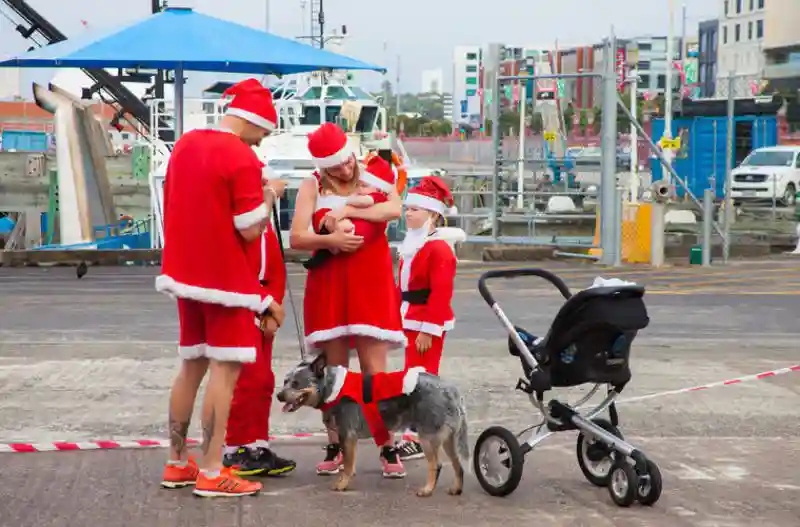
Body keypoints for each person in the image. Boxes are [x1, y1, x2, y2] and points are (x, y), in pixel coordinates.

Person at [156, 78, 284, 498]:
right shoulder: (241, 157)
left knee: (190, 367)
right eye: (264, 132)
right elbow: (249, 230)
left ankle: (177, 463)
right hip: (227, 283)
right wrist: (269, 197)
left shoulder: (185, 144)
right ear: (255, 120)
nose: (262, 142)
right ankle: (212, 469)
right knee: (224, 374)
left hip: (184, 275)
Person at [289, 123, 408, 478]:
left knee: (376, 373)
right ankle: (337, 444)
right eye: (335, 166)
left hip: (370, 282)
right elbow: (297, 237)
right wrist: (330, 242)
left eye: (347, 161)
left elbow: (393, 211)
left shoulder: (374, 173)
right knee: (333, 375)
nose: (344, 169)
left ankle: (388, 446)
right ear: (322, 166)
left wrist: (344, 213)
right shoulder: (312, 185)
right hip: (329, 284)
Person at [222, 171, 298, 478]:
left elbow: (276, 268)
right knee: (245, 381)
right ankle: (234, 447)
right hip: (243, 305)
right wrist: (262, 305)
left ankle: (257, 443)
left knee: (263, 381)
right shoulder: (239, 225)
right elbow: (235, 269)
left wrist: (272, 310)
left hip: (265, 305)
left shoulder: (265, 226)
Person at [394, 176, 466, 461]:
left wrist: (428, 330)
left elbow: (440, 294)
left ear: (433, 214)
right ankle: (415, 430)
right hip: (409, 317)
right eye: (407, 208)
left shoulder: (438, 249)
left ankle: (421, 433)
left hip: (425, 322)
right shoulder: (412, 244)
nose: (408, 213)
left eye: (415, 209)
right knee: (412, 377)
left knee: (422, 380)